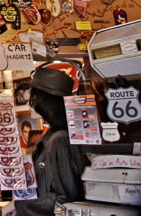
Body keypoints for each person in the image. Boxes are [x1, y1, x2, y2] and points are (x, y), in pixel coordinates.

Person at [14, 67, 88, 215]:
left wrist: (23, 204)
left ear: (43, 101)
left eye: (32, 98)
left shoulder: (59, 140)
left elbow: (66, 198)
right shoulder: (53, 137)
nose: (30, 104)